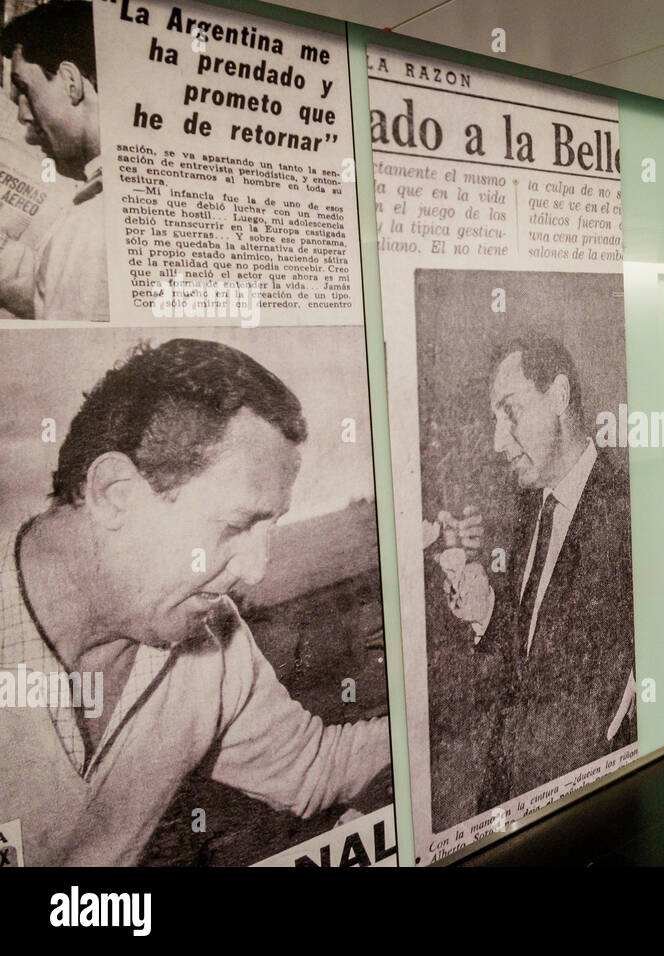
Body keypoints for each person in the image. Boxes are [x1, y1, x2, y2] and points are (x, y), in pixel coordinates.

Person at [0, 339, 391, 865]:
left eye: (269, 527)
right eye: (236, 525)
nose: (256, 570)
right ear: (116, 492)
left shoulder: (212, 640)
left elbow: (315, 765)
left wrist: (442, 710)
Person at [441, 334, 636, 804]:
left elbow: (610, 701)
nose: (496, 441)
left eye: (510, 411)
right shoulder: (532, 505)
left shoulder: (627, 512)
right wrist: (487, 611)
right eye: (494, 419)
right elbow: (534, 648)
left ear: (559, 397)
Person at [0, 1, 108, 322]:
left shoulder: (94, 221)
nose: (23, 115)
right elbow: (51, 290)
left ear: (70, 81)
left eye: (25, 90)